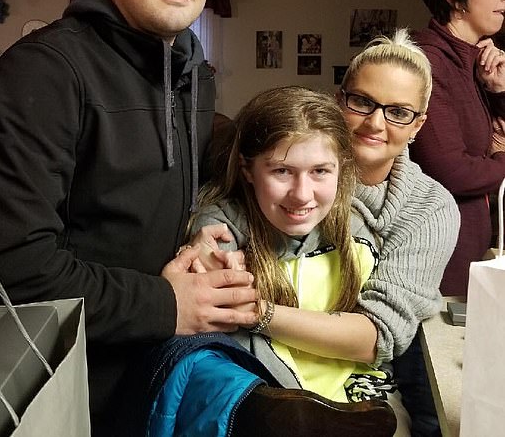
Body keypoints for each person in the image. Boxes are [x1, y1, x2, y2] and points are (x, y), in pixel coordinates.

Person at [0, 0, 260, 436]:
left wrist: (197, 240)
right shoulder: (42, 71)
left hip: (143, 372)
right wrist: (167, 304)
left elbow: (145, 206)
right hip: (40, 384)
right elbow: (9, 273)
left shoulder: (195, 76)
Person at [144, 85, 397, 436]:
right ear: (248, 169)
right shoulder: (220, 230)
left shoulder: (360, 231)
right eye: (282, 171)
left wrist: (256, 311)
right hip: (269, 404)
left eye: (320, 171)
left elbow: (377, 341)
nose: (302, 194)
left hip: (357, 394)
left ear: (342, 167)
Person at [338, 29, 460, 436]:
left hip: (376, 375)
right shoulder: (297, 175)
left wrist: (263, 314)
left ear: (418, 124)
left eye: (398, 112)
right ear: (340, 101)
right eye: (362, 102)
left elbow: (378, 338)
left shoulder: (431, 207)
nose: (375, 123)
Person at [411, 0, 505, 297]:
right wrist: (501, 157)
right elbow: (452, 170)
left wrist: (499, 89)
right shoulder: (427, 63)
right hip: (439, 257)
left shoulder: (476, 62)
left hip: (473, 249)